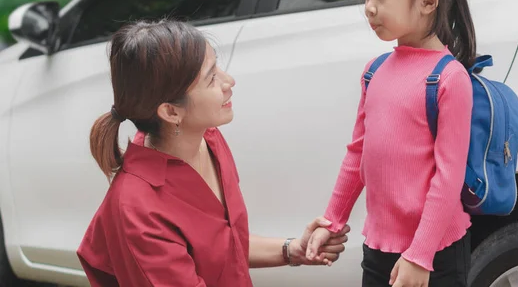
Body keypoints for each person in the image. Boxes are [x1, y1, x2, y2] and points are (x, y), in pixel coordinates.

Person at [77, 20, 350, 286]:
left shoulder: (209, 139)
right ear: (171, 112)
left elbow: (221, 244)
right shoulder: (139, 209)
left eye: (217, 66)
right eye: (211, 79)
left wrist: (292, 250)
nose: (228, 81)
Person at [306, 0, 477, 287]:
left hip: (434, 253)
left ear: (428, 1)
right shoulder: (375, 71)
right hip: (379, 248)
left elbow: (448, 178)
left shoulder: (448, 78)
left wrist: (421, 254)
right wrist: (331, 220)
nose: (370, 7)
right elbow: (358, 154)